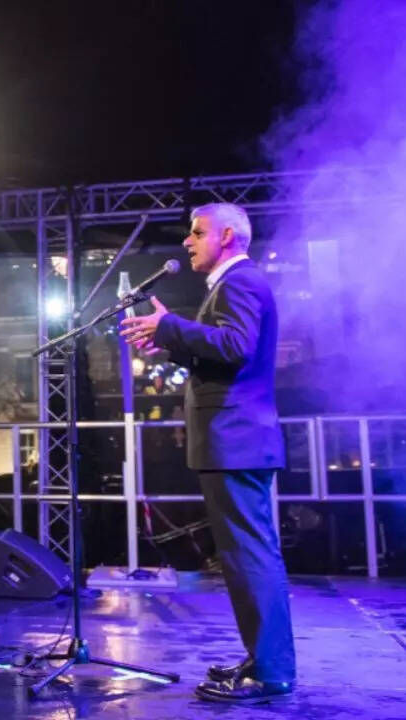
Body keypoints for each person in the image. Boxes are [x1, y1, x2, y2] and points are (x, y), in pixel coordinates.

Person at [122, 202, 295, 702]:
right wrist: (171, 343)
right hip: (234, 440)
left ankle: (270, 672)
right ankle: (262, 660)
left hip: (236, 439)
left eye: (197, 232)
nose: (187, 241)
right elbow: (222, 354)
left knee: (249, 556)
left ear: (228, 237)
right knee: (243, 556)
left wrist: (171, 327)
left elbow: (237, 345)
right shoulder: (231, 284)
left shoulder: (239, 282)